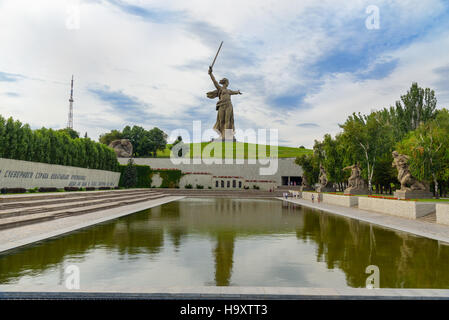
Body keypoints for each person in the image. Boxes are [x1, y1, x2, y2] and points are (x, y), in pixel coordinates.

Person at [207, 66, 242, 140]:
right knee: (221, 120)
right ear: (225, 82)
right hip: (221, 106)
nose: (228, 83)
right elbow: (214, 82)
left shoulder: (229, 91)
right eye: (228, 82)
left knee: (227, 120)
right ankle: (222, 135)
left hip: (229, 105)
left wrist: (238, 92)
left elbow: (234, 92)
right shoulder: (220, 88)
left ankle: (227, 136)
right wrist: (210, 73)